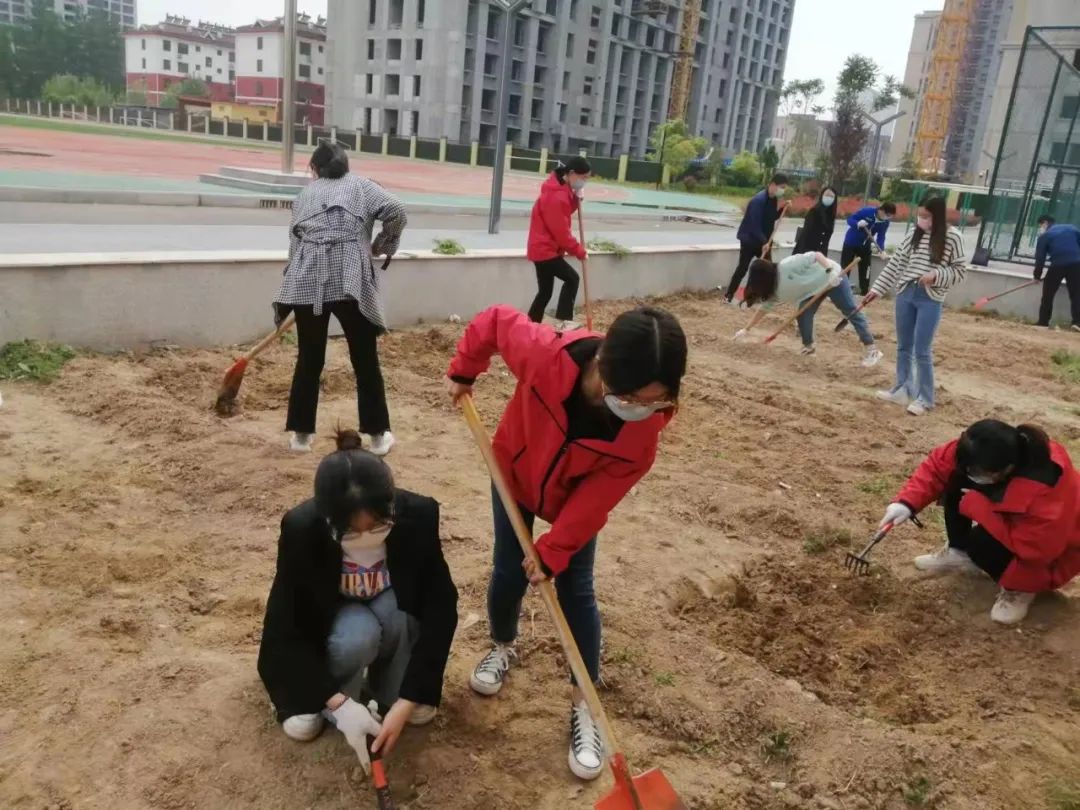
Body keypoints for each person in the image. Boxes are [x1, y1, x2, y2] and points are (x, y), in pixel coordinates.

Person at [444, 304, 687, 781]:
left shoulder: (643, 434)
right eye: (634, 396)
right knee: (508, 567)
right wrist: (463, 371)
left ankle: (585, 703)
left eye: (655, 400)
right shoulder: (545, 356)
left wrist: (555, 550)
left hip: (572, 503)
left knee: (577, 588)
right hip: (513, 474)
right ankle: (503, 645)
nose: (641, 407)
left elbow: (597, 499)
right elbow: (493, 322)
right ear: (605, 369)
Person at [257, 429, 458, 773]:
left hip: (388, 602)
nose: (366, 538)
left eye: (379, 526)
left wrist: (410, 699)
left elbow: (441, 606)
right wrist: (335, 703)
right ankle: (335, 699)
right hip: (338, 616)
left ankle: (390, 691)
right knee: (357, 635)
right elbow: (284, 625)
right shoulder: (303, 530)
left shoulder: (418, 516)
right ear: (329, 521)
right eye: (351, 532)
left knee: (401, 616)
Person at [274, 141, 407, 456]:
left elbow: (295, 241)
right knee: (364, 359)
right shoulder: (363, 186)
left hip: (307, 277)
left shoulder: (305, 194)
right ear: (345, 165)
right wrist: (382, 244)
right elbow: (397, 211)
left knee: (309, 358)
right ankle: (377, 437)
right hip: (349, 279)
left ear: (316, 170)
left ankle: (301, 437)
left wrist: (295, 283)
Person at [878, 420, 1080, 625]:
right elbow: (939, 466)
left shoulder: (1045, 489)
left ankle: (1020, 590)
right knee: (955, 480)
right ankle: (959, 552)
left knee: (980, 544)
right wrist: (906, 503)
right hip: (1013, 518)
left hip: (1050, 555)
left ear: (1005, 469)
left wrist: (982, 510)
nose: (972, 475)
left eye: (978, 472)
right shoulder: (984, 449)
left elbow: (1036, 551)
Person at [865, 197, 967, 416]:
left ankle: (925, 398)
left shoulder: (953, 238)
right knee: (903, 346)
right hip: (906, 293)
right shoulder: (913, 234)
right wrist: (876, 290)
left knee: (922, 351)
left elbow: (959, 271)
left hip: (930, 297)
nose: (922, 220)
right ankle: (902, 388)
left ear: (937, 216)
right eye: (920, 215)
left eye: (927, 216)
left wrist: (936, 275)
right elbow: (895, 265)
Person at [733, 252, 883, 366]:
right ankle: (809, 347)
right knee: (803, 314)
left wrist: (830, 271)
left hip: (833, 278)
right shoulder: (772, 290)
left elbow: (816, 255)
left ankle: (872, 350)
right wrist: (746, 329)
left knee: (850, 311)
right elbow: (764, 309)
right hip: (811, 291)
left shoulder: (787, 265)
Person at [526, 156, 592, 329]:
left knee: (545, 292)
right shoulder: (556, 196)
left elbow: (565, 210)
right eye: (583, 178)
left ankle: (530, 327)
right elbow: (561, 232)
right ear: (571, 174)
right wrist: (579, 251)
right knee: (572, 279)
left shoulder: (560, 188)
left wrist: (577, 200)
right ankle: (564, 321)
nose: (584, 182)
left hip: (543, 249)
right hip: (545, 250)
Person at [723, 172, 788, 303]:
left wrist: (782, 209)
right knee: (743, 268)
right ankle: (729, 295)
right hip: (750, 240)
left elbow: (771, 218)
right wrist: (764, 242)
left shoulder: (773, 199)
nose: (783, 190)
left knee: (768, 269)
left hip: (763, 241)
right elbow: (754, 224)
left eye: (785, 188)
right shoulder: (758, 200)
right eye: (782, 187)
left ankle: (759, 296)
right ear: (773, 185)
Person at [1033, 215, 1080, 332]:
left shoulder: (1045, 236)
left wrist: (1037, 276)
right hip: (1076, 264)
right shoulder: (1072, 228)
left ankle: (1043, 322)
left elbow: (1040, 259)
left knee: (1048, 294)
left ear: (1044, 223)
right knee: (1077, 294)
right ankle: (1078, 323)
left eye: (1040, 226)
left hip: (1057, 265)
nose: (1040, 228)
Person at [841, 201, 896, 295]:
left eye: (890, 216)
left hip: (866, 245)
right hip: (851, 243)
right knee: (846, 267)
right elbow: (850, 220)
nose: (888, 218)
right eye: (887, 215)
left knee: (866, 269)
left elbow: (881, 237)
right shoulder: (867, 211)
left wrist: (881, 250)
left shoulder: (885, 222)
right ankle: (841, 290)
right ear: (881, 210)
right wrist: (857, 223)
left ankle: (864, 292)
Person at [793, 186, 838, 256]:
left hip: (821, 253)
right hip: (807, 251)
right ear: (822, 196)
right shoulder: (814, 212)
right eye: (826, 195)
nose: (828, 197)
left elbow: (826, 237)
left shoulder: (831, 215)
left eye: (831, 196)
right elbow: (806, 234)